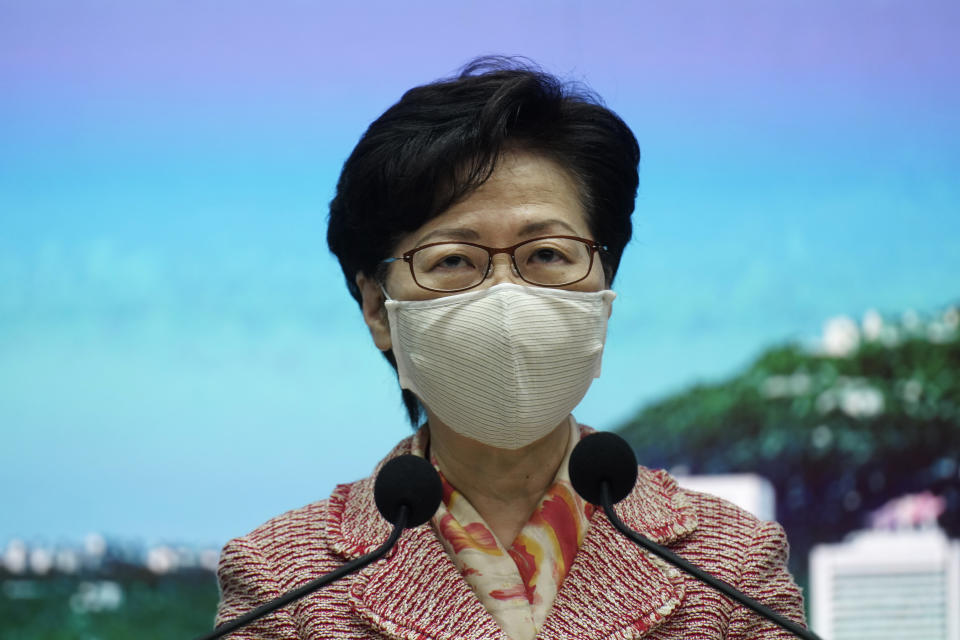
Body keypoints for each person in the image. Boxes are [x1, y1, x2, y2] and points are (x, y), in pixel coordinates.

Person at [214, 57, 807, 639]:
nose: (506, 297)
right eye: (453, 260)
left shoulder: (732, 568)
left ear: (604, 285)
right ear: (377, 309)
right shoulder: (284, 587)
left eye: (547, 254)